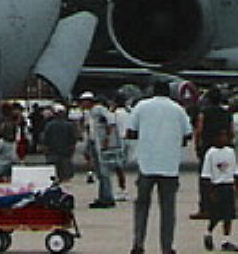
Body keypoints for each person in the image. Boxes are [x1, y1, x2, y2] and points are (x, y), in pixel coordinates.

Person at [128, 81, 194, 254]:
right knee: (168, 209)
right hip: (169, 165)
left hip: (146, 164)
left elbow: (130, 131)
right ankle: (166, 247)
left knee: (142, 206)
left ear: (152, 91)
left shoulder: (142, 106)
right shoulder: (178, 109)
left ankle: (138, 244)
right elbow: (188, 133)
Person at [195, 87, 231, 220]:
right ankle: (226, 207)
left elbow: (199, 130)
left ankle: (205, 208)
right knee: (225, 177)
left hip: (208, 148)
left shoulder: (204, 113)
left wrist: (197, 146)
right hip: (224, 147)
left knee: (206, 179)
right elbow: (230, 130)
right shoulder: (226, 113)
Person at [202, 127, 237, 251]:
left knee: (229, 216)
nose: (223, 139)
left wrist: (235, 188)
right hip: (217, 187)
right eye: (220, 136)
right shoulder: (211, 153)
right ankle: (208, 233)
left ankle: (225, 240)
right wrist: (210, 192)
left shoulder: (230, 152)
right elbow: (206, 175)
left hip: (228, 186)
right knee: (216, 215)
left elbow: (234, 171)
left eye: (225, 136)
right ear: (215, 139)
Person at [86, 94, 120, 209]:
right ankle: (103, 196)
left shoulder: (99, 109)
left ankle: (107, 197)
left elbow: (111, 121)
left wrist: (107, 138)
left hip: (101, 144)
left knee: (103, 172)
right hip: (95, 143)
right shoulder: (90, 112)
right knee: (100, 173)